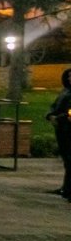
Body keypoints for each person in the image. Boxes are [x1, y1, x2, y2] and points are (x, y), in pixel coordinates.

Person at [45, 68, 71, 201]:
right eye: (69, 76)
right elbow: (54, 105)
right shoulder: (65, 91)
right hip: (61, 129)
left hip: (68, 128)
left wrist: (59, 118)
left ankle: (68, 189)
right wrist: (50, 115)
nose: (69, 78)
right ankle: (66, 188)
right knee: (66, 159)